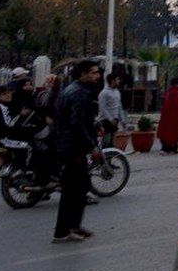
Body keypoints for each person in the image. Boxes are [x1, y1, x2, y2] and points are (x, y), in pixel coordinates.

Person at [51, 60, 101, 243]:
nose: (97, 76)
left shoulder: (74, 90)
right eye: (93, 73)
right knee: (72, 190)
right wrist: (91, 146)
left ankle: (74, 225)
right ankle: (62, 231)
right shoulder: (78, 93)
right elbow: (77, 124)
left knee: (81, 187)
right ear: (83, 74)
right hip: (73, 149)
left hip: (71, 146)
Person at [156, 78, 178, 154]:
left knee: (167, 132)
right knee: (175, 132)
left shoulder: (168, 92)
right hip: (176, 117)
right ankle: (173, 148)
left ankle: (166, 148)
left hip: (167, 117)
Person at [96, 72, 126, 148]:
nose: (119, 81)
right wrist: (110, 119)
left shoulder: (117, 92)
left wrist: (122, 120)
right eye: (117, 79)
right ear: (113, 81)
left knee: (112, 141)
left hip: (115, 120)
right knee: (106, 141)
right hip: (106, 121)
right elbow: (102, 108)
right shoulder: (104, 93)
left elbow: (119, 106)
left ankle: (110, 153)